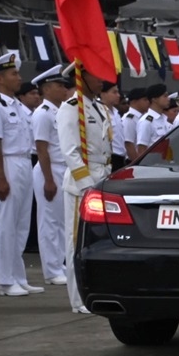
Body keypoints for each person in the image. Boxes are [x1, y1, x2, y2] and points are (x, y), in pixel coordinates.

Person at [0, 51, 42, 297]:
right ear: (0, 79)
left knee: (21, 225)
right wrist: (1, 178)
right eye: (14, 74)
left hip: (24, 163)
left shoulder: (19, 107)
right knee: (5, 225)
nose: (19, 77)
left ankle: (18, 277)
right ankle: (5, 280)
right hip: (7, 164)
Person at [57, 68, 115, 314]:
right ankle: (77, 299)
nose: (101, 79)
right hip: (82, 183)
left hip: (102, 177)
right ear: (80, 78)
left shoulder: (100, 108)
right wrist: (87, 186)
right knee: (76, 242)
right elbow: (70, 152)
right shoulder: (71, 108)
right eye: (95, 75)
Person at [30, 66, 72, 286]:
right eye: (59, 86)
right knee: (49, 222)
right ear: (46, 89)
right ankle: (51, 269)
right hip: (50, 168)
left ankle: (60, 263)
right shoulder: (42, 114)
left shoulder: (60, 111)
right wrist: (48, 179)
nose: (64, 89)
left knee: (63, 221)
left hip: (62, 168)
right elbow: (41, 148)